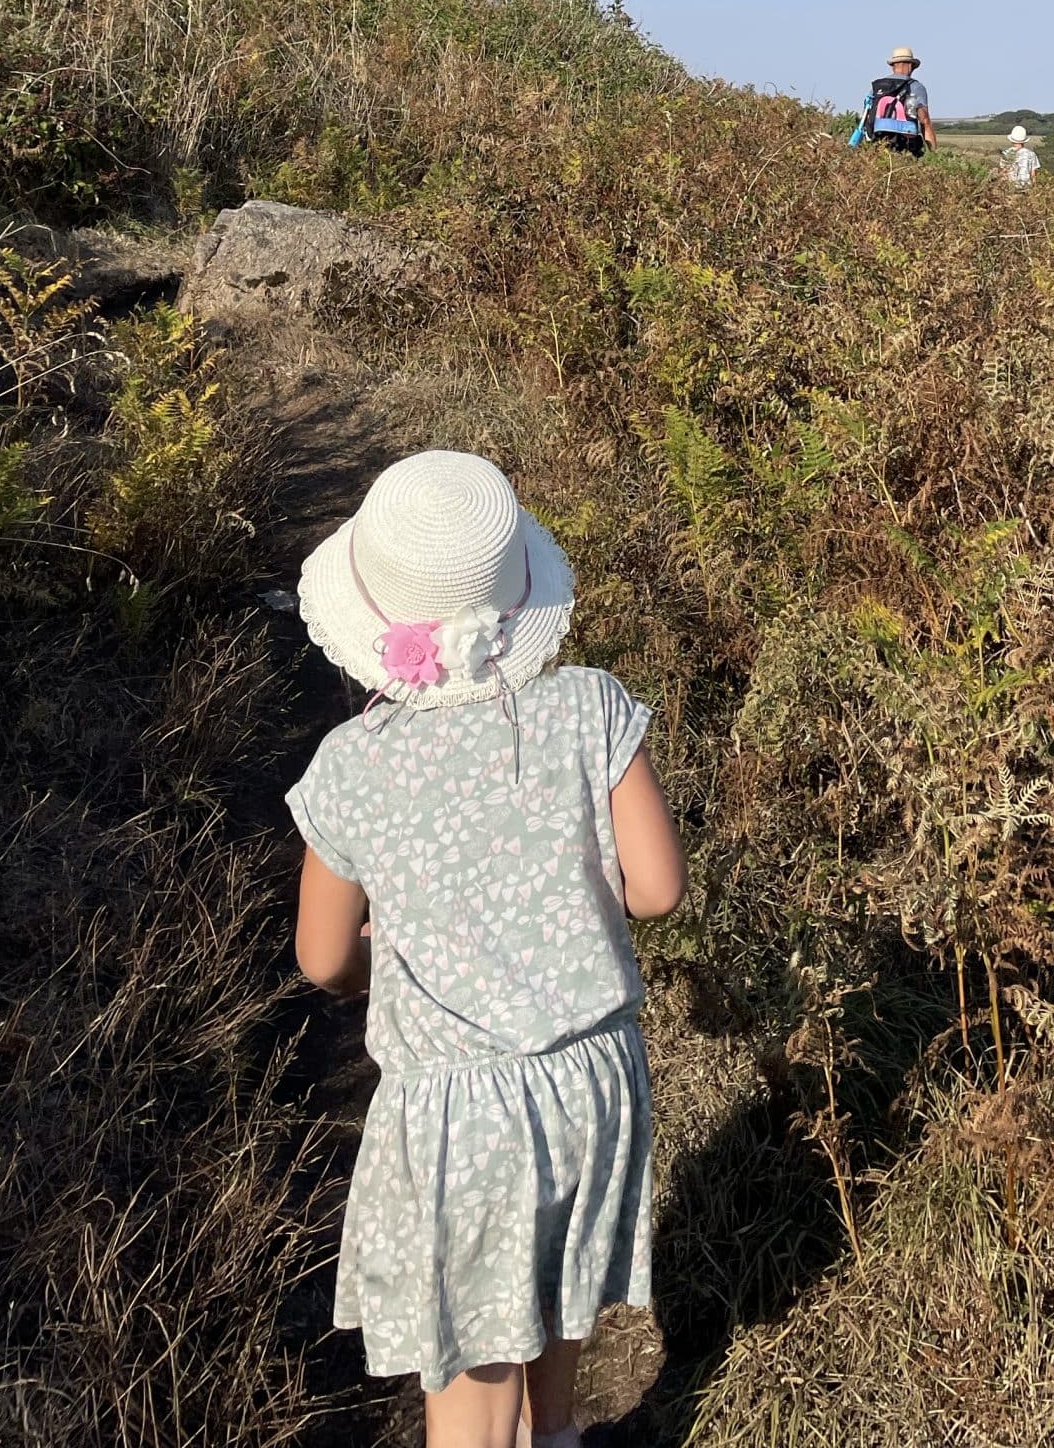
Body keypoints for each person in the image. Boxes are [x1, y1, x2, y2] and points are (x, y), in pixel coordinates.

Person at [286, 449, 687, 1448]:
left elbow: (322, 957)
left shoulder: (351, 766)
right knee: (553, 1295)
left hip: (460, 1114)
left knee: (472, 1377)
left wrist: (380, 962)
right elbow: (657, 890)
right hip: (591, 1079)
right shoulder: (591, 705)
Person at [851, 44, 938, 156]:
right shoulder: (916, 87)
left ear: (893, 66)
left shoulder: (876, 87)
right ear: (911, 65)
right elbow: (925, 121)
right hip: (905, 147)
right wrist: (934, 155)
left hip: (877, 145)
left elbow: (866, 116)